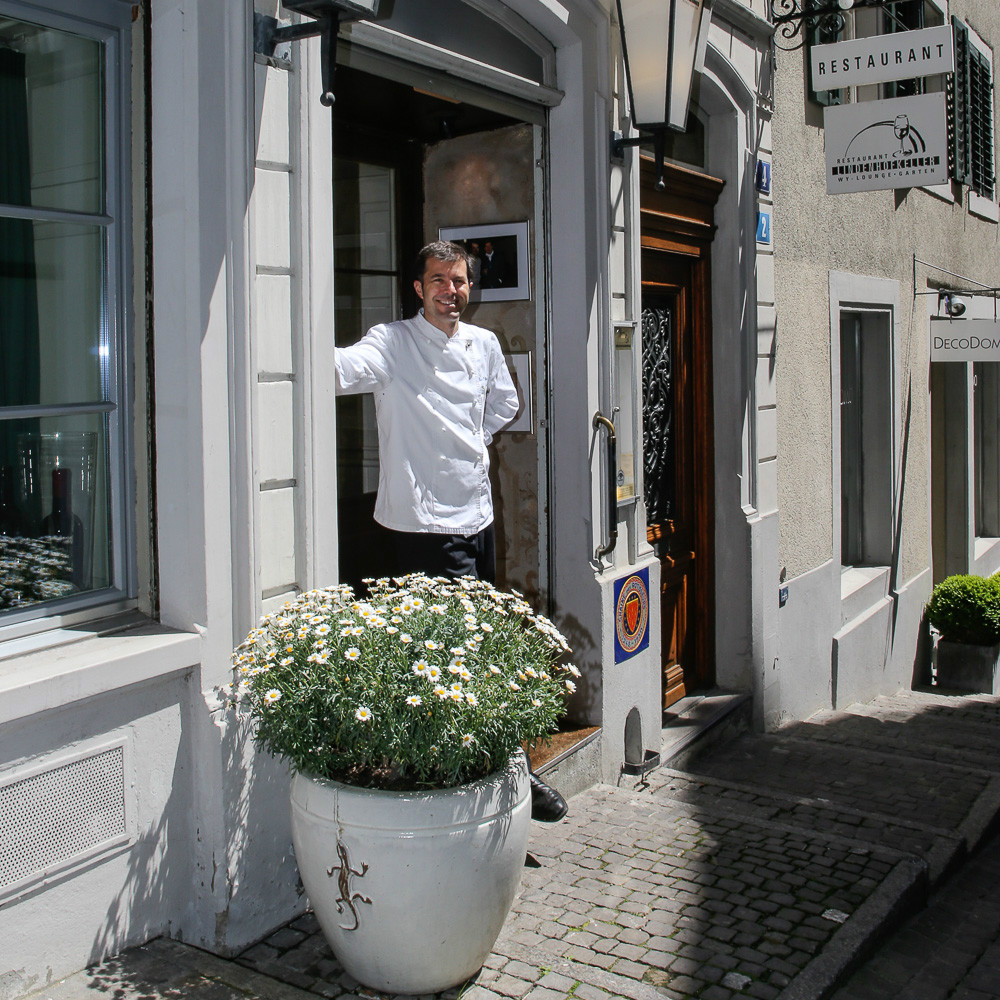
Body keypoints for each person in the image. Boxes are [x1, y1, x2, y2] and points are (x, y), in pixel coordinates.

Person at [334, 240, 568, 822]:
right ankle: (510, 773)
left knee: (466, 648)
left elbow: (504, 406)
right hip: (421, 525)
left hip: (477, 517)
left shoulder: (484, 344)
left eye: (459, 281)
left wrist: (464, 445)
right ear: (419, 288)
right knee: (451, 651)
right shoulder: (391, 343)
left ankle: (480, 771)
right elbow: (338, 372)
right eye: (438, 280)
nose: (450, 290)